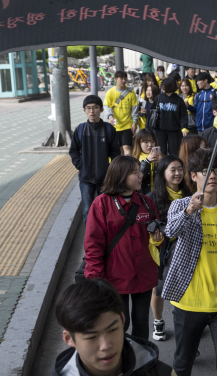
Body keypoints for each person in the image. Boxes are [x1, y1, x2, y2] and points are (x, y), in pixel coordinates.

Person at [162, 149, 217, 376]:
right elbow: (170, 231)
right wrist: (190, 210)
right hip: (188, 302)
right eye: (206, 171)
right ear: (193, 176)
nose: (213, 176)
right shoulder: (180, 206)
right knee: (181, 366)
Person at [84, 156, 163, 340]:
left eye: (139, 171)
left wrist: (158, 240)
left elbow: (156, 241)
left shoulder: (147, 203)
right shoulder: (101, 204)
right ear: (120, 176)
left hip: (143, 274)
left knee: (141, 322)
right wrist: (96, 279)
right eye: (135, 173)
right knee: (121, 322)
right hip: (113, 276)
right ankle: (121, 361)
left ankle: (141, 363)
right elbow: (93, 245)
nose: (140, 176)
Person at [52, 279, 175, 376]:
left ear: (122, 319)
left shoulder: (161, 372)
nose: (106, 346)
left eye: (112, 330)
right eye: (91, 337)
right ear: (69, 339)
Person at [148, 155, 191, 342]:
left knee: (185, 287)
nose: (177, 173)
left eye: (180, 169)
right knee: (158, 288)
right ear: (163, 174)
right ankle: (158, 321)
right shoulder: (153, 198)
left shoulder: (190, 195)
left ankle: (185, 325)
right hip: (160, 249)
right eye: (172, 170)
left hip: (185, 249)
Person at [70, 95, 121, 223]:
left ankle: (106, 238)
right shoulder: (80, 130)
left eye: (95, 108)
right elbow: (74, 151)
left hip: (105, 179)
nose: (92, 111)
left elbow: (116, 153)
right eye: (89, 108)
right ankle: (90, 241)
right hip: (86, 178)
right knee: (87, 210)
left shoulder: (109, 129)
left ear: (101, 109)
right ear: (84, 110)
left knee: (107, 210)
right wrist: (80, 165)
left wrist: (111, 170)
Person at [105, 71, 138, 156]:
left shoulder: (131, 92)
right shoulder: (110, 92)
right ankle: (121, 168)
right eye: (121, 78)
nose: (124, 80)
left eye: (125, 78)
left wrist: (134, 122)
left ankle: (127, 166)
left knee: (127, 147)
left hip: (127, 125)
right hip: (115, 126)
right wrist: (110, 117)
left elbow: (134, 108)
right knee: (119, 150)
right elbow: (106, 106)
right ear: (116, 79)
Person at [152, 78, 189, 156]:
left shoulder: (179, 100)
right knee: (160, 153)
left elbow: (183, 115)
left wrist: (184, 128)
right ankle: (161, 167)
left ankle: (173, 167)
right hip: (160, 130)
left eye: (163, 86)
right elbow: (152, 113)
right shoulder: (159, 98)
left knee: (174, 153)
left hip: (175, 131)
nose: (162, 88)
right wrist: (150, 128)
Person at [133, 129, 163, 194]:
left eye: (152, 142)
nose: (150, 145)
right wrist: (147, 161)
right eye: (146, 142)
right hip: (143, 195)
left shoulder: (160, 156)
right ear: (139, 143)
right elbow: (138, 177)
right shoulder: (135, 159)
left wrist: (163, 162)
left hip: (158, 194)